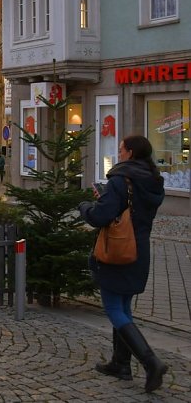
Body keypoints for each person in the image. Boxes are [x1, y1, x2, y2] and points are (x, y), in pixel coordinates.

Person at [78, 135, 168, 393]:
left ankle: (151, 362)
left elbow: (101, 216)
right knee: (124, 307)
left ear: (130, 153)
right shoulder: (153, 180)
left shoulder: (121, 180)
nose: (118, 154)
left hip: (116, 251)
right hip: (139, 250)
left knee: (114, 308)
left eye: (121, 150)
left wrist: (86, 206)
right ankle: (121, 364)